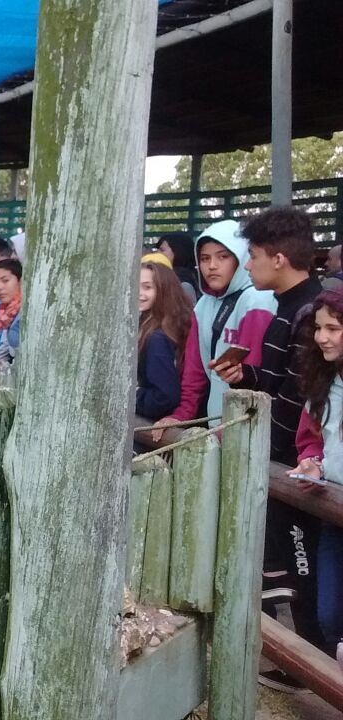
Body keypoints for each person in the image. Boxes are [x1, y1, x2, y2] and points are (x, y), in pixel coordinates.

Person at [227, 207, 327, 668]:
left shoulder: (310, 314)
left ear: (279, 258)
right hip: (278, 460)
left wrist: (268, 455)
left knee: (304, 573)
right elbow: (277, 385)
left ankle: (311, 665)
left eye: (253, 255)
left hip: (294, 467)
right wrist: (245, 376)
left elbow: (299, 400)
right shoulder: (286, 307)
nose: (248, 266)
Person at [154, 220, 277, 433]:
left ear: (241, 258)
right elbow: (194, 373)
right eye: (204, 258)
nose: (212, 265)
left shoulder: (258, 301)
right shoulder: (203, 304)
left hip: (252, 429)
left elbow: (257, 381)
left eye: (223, 257)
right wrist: (180, 416)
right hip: (217, 425)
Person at [288, 287, 343, 671]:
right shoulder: (322, 383)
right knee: (330, 614)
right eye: (319, 329)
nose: (322, 337)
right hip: (333, 514)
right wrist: (311, 463)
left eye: (333, 329)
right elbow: (311, 439)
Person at [136, 261, 192, 420]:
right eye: (136, 286)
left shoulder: (157, 338)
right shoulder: (167, 325)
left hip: (157, 422)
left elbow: (164, 397)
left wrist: (133, 396)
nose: (139, 293)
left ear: (164, 290)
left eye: (147, 287)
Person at [157, 232, 200, 303]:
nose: (157, 253)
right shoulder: (194, 277)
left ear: (177, 251)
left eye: (162, 250)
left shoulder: (182, 283)